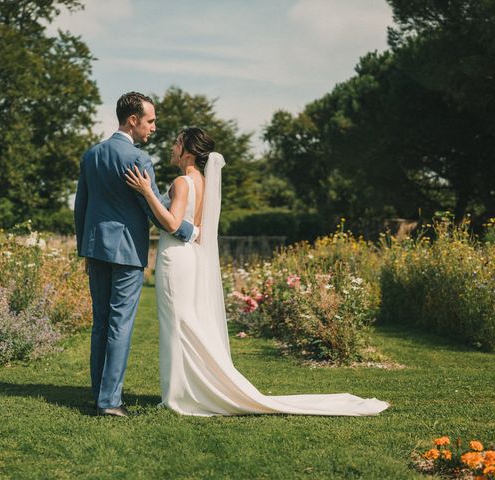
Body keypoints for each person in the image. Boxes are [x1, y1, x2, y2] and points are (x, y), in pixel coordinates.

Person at [124, 127, 390, 416]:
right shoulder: (201, 181)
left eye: (176, 144)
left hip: (175, 258)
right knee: (184, 323)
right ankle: (188, 389)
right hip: (189, 258)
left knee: (177, 324)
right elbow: (197, 231)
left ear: (187, 151)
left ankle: (179, 396)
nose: (172, 148)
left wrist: (147, 192)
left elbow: (174, 224)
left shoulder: (181, 182)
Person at [74, 92, 197, 417]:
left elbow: (81, 206)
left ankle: (98, 394)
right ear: (133, 120)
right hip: (127, 250)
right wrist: (190, 231)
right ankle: (110, 402)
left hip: (96, 248)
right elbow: (156, 213)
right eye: (151, 120)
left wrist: (83, 247)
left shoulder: (92, 155)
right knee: (119, 325)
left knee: (101, 323)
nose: (154, 128)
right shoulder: (138, 160)